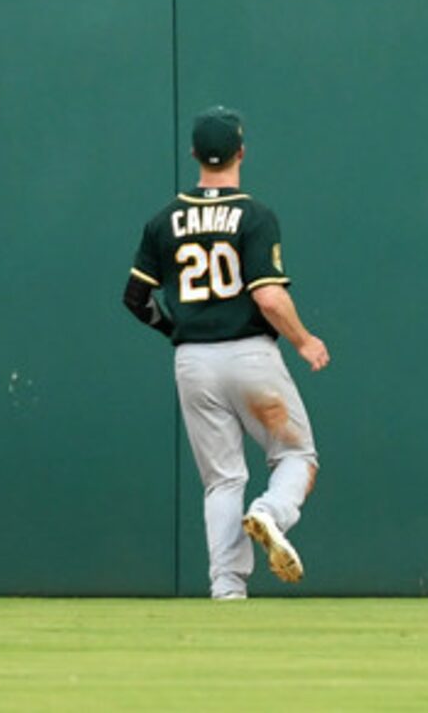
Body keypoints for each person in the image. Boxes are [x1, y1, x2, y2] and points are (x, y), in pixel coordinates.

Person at [125, 105, 329, 600]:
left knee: (221, 479)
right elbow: (268, 295)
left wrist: (175, 326)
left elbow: (135, 299)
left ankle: (227, 588)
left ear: (194, 153)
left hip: (193, 361)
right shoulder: (254, 215)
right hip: (250, 353)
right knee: (297, 455)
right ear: (241, 151)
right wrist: (304, 340)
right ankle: (269, 513)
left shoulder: (163, 221)